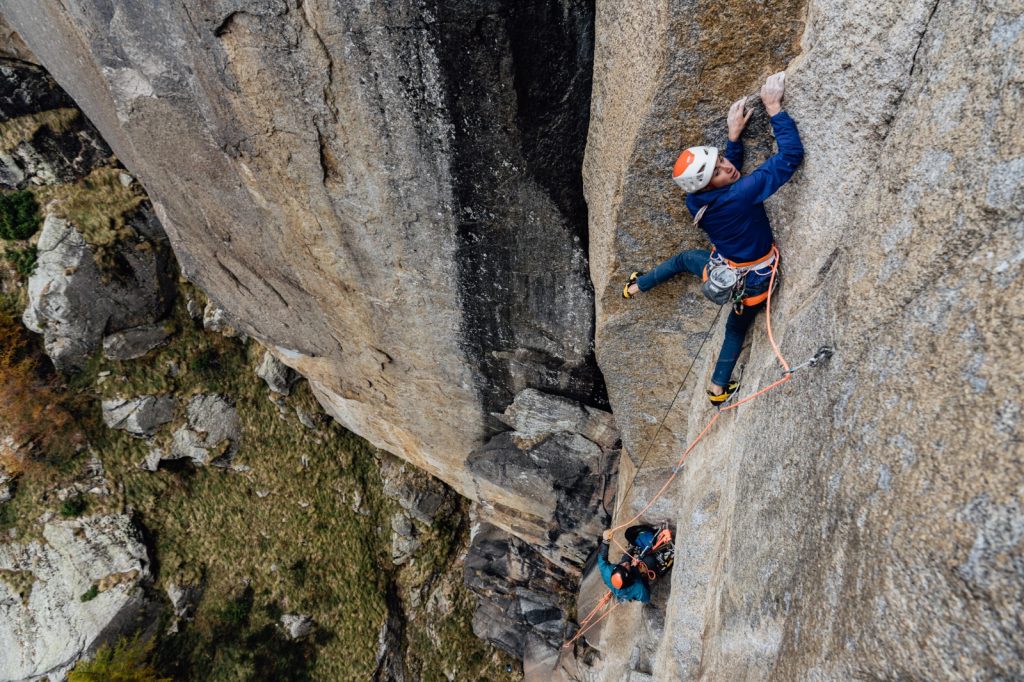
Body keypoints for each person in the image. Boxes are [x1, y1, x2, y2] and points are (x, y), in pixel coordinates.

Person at [623, 72, 804, 405]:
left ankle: (636, 286)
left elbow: (726, 181)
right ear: (706, 185)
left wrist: (733, 138)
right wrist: (775, 107)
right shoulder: (742, 194)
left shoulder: (695, 199)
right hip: (754, 282)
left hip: (723, 268)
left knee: (684, 261)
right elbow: (789, 158)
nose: (727, 168)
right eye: (718, 170)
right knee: (735, 329)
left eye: (720, 160)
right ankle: (716, 390)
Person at [597, 525, 673, 603]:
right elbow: (647, 599)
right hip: (637, 575)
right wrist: (643, 578)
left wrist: (605, 541)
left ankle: (646, 541)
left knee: (629, 533)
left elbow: (602, 559)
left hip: (627, 574)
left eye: (621, 566)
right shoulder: (637, 589)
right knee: (649, 561)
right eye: (625, 567)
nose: (625, 564)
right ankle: (664, 557)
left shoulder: (608, 572)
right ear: (630, 577)